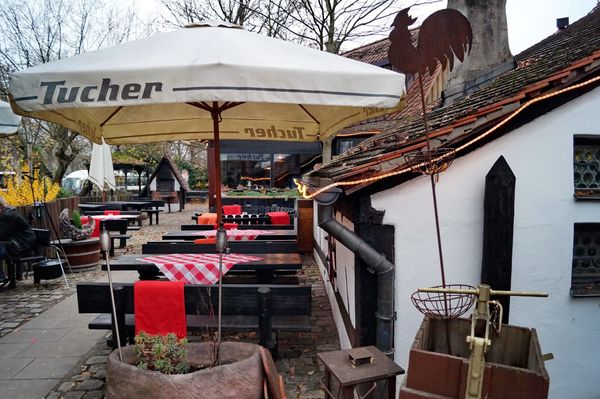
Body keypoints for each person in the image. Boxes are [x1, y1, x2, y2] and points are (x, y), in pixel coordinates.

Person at [0, 196, 35, 288]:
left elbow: (2, 234)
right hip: (17, 242)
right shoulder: (6, 214)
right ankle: (2, 279)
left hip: (22, 244)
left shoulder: (8, 215)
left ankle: (2, 279)